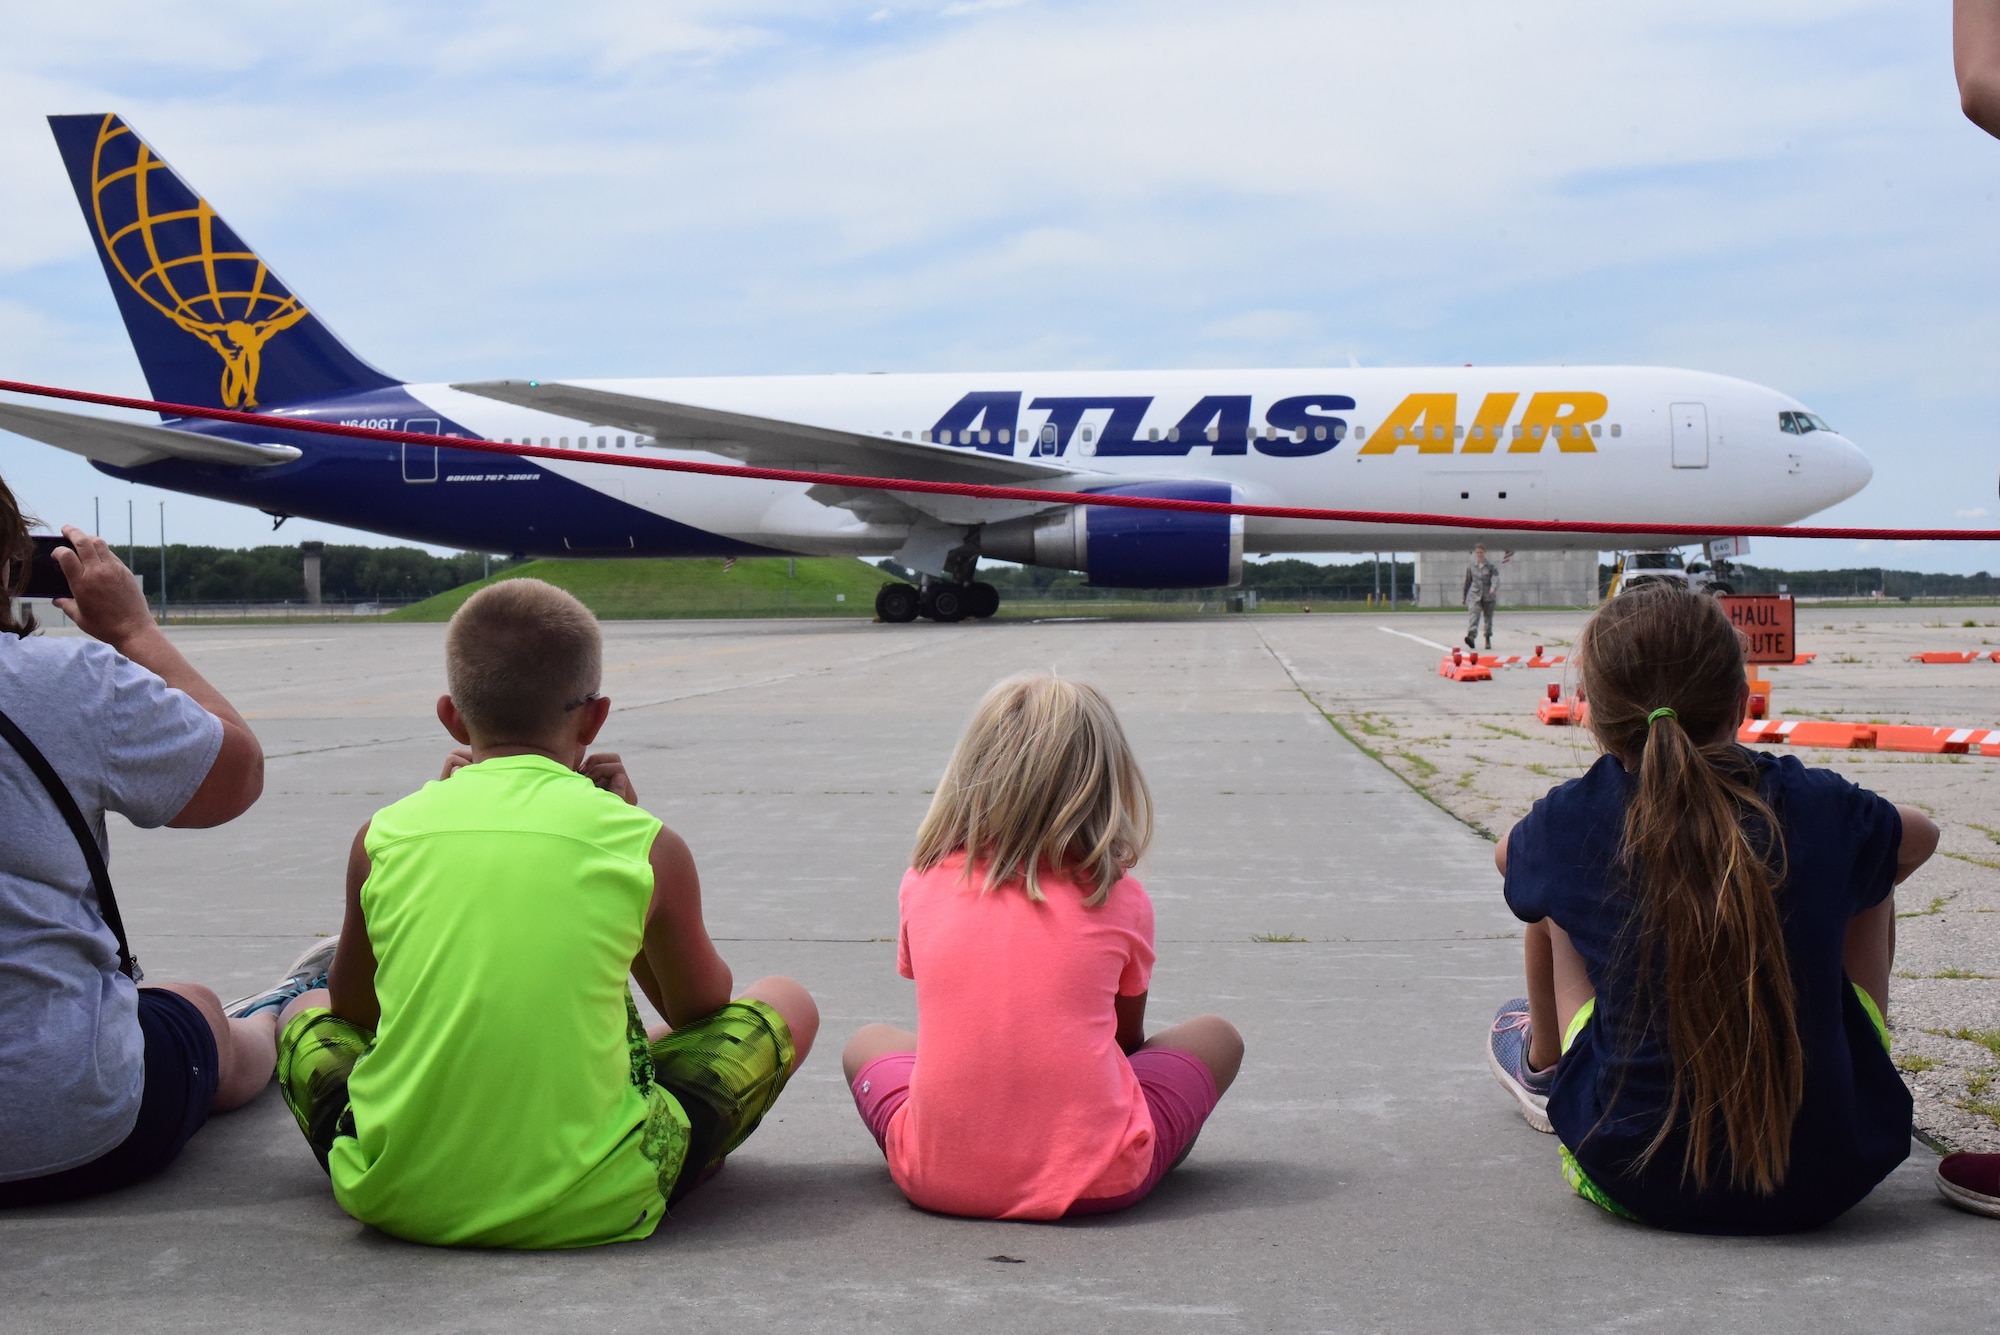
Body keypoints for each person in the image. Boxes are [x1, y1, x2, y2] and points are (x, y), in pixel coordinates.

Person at [268, 578, 819, 1247]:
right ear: (594, 718)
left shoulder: (381, 836)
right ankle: (651, 1144)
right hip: (604, 1198)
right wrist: (629, 842)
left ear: (450, 715)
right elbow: (700, 1008)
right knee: (788, 1001)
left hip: (395, 1192)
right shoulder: (645, 843)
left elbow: (353, 1010)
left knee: (303, 1012)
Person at [1483, 584, 1938, 1232]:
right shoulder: (1812, 802)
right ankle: (1852, 1064)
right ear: (1741, 703)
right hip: (1827, 1176)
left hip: (1631, 1175)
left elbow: (1508, 860)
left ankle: (1543, 1062)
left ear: (1595, 718)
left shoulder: (1572, 818)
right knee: (1872, 862)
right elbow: (1921, 835)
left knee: (1547, 885)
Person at [842, 672, 1243, 1220]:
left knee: (869, 1041)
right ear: (1105, 781)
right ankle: (1139, 1152)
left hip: (934, 1179)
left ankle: (956, 1152)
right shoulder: (1119, 896)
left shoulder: (923, 879)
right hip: (1100, 1182)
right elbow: (1126, 1039)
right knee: (1216, 1036)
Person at [0, 478, 285, 1206]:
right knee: (194, 1006)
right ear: (12, 565)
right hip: (61, 1128)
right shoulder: (63, 679)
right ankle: (279, 1023)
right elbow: (235, 774)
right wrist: (135, 633)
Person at [1462, 544, 1499, 651]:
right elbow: (1467, 582)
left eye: (1481, 553)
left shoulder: (1491, 566)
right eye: (1477, 553)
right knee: (1474, 615)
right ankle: (1471, 637)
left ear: (1485, 553)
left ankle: (1487, 638)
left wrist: (1493, 588)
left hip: (1488, 596)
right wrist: (1464, 596)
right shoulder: (1471, 566)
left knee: (1488, 618)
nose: (1479, 555)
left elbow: (1496, 578)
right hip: (1475, 595)